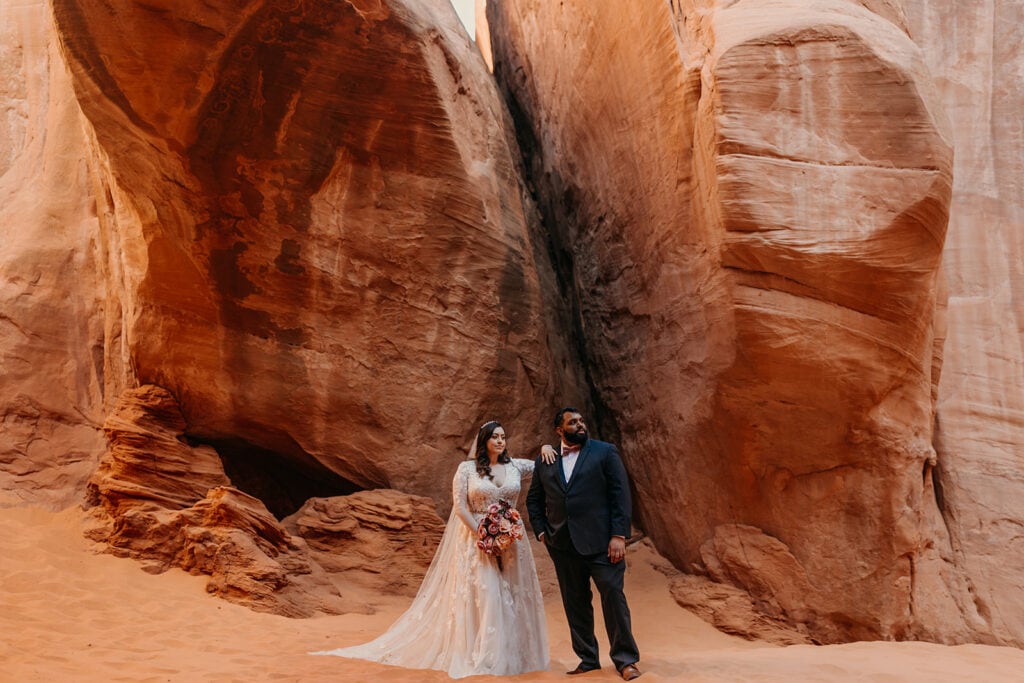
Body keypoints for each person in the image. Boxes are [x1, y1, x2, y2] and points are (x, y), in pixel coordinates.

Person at [312, 421, 552, 678]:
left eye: (503, 437)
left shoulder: (516, 466)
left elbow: (542, 464)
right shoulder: (467, 469)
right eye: (495, 437)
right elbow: (460, 507)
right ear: (484, 441)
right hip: (477, 539)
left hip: (511, 540)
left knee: (513, 592)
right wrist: (482, 534)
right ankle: (487, 656)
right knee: (488, 593)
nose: (501, 441)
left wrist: (547, 447)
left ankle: (512, 655)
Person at [528, 408, 642, 681]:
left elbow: (620, 494)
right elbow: (534, 500)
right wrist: (542, 532)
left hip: (603, 544)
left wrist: (619, 535)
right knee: (575, 604)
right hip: (563, 546)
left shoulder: (605, 452)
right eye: (573, 422)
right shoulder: (545, 461)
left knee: (613, 598)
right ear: (559, 430)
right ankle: (588, 659)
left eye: (581, 421)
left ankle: (626, 660)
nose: (580, 425)